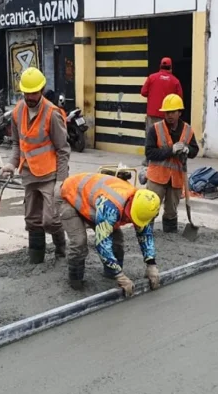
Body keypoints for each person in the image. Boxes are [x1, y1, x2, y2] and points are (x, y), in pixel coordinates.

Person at [1, 67, 70, 264]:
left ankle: (61, 250)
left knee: (51, 219)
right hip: (28, 173)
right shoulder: (17, 112)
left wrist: (61, 181)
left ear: (42, 90)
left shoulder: (52, 113)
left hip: (50, 175)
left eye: (34, 92)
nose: (30, 96)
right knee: (32, 219)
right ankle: (36, 258)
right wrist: (11, 164)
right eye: (27, 92)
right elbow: (17, 143)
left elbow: (63, 150)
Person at [58, 172, 161, 296]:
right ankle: (75, 283)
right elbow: (102, 243)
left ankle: (110, 275)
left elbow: (145, 234)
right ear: (131, 209)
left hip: (92, 200)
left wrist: (151, 264)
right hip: (70, 196)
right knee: (79, 242)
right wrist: (121, 276)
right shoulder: (111, 206)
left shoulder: (142, 203)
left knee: (117, 240)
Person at [145, 93, 199, 233]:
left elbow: (195, 150)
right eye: (166, 112)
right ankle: (145, 233)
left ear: (179, 112)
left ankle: (170, 234)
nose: (169, 115)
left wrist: (188, 149)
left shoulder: (187, 130)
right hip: (157, 178)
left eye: (172, 112)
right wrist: (171, 150)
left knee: (171, 210)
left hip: (176, 178)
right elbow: (149, 153)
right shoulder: (155, 129)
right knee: (150, 208)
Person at [141, 57, 183, 165]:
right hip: (168, 114)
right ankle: (166, 158)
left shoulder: (151, 78)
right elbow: (179, 99)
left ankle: (148, 160)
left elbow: (143, 92)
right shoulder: (175, 81)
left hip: (152, 113)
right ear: (171, 68)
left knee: (151, 136)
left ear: (160, 66)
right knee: (166, 137)